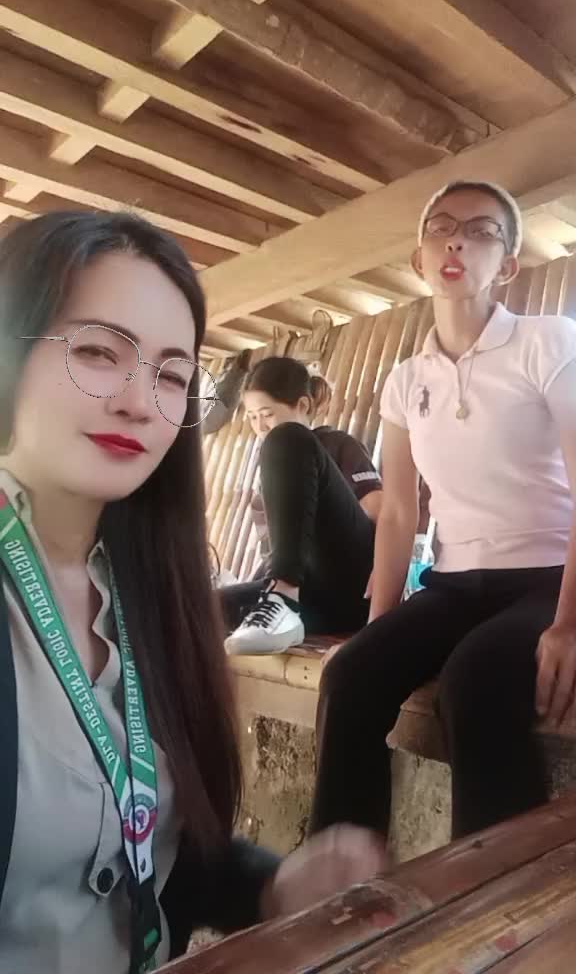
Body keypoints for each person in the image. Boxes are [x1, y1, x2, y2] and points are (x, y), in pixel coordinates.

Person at [0, 211, 388, 974]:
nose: (141, 402)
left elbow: (148, 846)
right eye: (98, 352)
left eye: (173, 376)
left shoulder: (151, 597)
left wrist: (271, 886)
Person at [309, 180, 576, 844]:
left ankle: (492, 889)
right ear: (419, 259)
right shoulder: (405, 381)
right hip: (456, 584)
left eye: (482, 232)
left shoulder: (548, 341)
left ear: (507, 266)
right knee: (349, 677)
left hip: (550, 578)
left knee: (474, 681)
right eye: (442, 229)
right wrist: (379, 629)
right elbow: (400, 512)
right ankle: (342, 877)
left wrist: (569, 625)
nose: (457, 242)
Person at [222, 357, 382, 655]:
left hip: (351, 584)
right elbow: (280, 550)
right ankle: (278, 604)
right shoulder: (271, 470)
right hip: (311, 601)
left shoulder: (336, 444)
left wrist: (386, 574)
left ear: (303, 406)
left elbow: (378, 511)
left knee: (287, 437)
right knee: (200, 608)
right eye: (252, 417)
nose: (259, 426)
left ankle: (282, 597)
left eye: (267, 414)